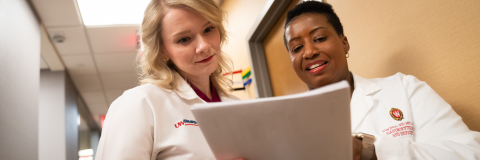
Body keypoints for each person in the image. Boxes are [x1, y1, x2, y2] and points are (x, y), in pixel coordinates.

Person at [283, 1, 480, 160]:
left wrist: (370, 151)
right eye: (297, 48)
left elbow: (471, 151)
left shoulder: (404, 89)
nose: (309, 52)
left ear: (344, 44)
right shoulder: (286, 126)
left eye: (318, 38)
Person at [95, 0, 239, 159]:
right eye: (184, 39)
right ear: (163, 51)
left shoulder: (237, 105)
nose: (203, 46)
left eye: (208, 29)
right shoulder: (141, 102)